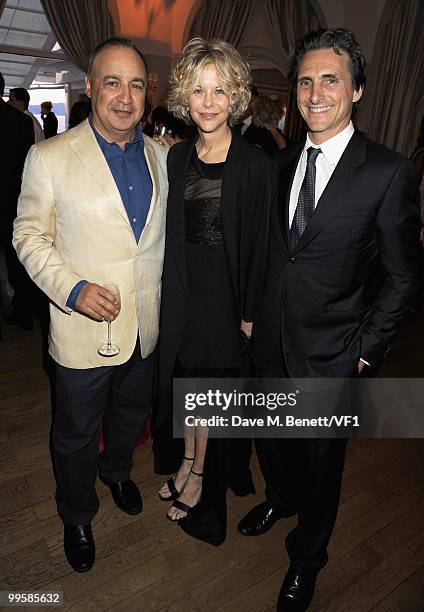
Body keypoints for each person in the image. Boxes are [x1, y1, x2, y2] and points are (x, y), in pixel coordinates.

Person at [237, 28, 421, 611]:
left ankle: (307, 558)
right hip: (269, 346)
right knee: (273, 441)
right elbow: (277, 255)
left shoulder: (387, 173)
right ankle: (279, 498)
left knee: (321, 466)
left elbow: (404, 276)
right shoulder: (283, 161)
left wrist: (364, 351)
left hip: (333, 356)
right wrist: (252, 318)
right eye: (306, 81)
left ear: (358, 90)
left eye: (331, 79)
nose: (316, 93)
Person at [13, 37, 168, 573]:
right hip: (82, 330)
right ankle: (76, 513)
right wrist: (73, 289)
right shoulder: (48, 155)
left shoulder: (161, 156)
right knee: (76, 433)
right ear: (90, 86)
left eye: (136, 85)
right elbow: (29, 236)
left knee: (130, 416)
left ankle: (118, 472)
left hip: (144, 326)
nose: (124, 97)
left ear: (148, 95)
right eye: (112, 82)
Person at [154, 37, 275, 544]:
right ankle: (186, 458)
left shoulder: (254, 163)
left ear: (236, 97)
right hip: (184, 293)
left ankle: (201, 475)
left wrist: (248, 313)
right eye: (199, 90)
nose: (208, 102)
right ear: (185, 94)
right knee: (188, 382)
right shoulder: (177, 157)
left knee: (210, 391)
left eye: (220, 90)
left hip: (226, 299)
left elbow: (262, 247)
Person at [0, 73, 34, 332]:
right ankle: (24, 314)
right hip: (13, 201)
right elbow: (27, 168)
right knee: (16, 260)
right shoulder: (21, 122)